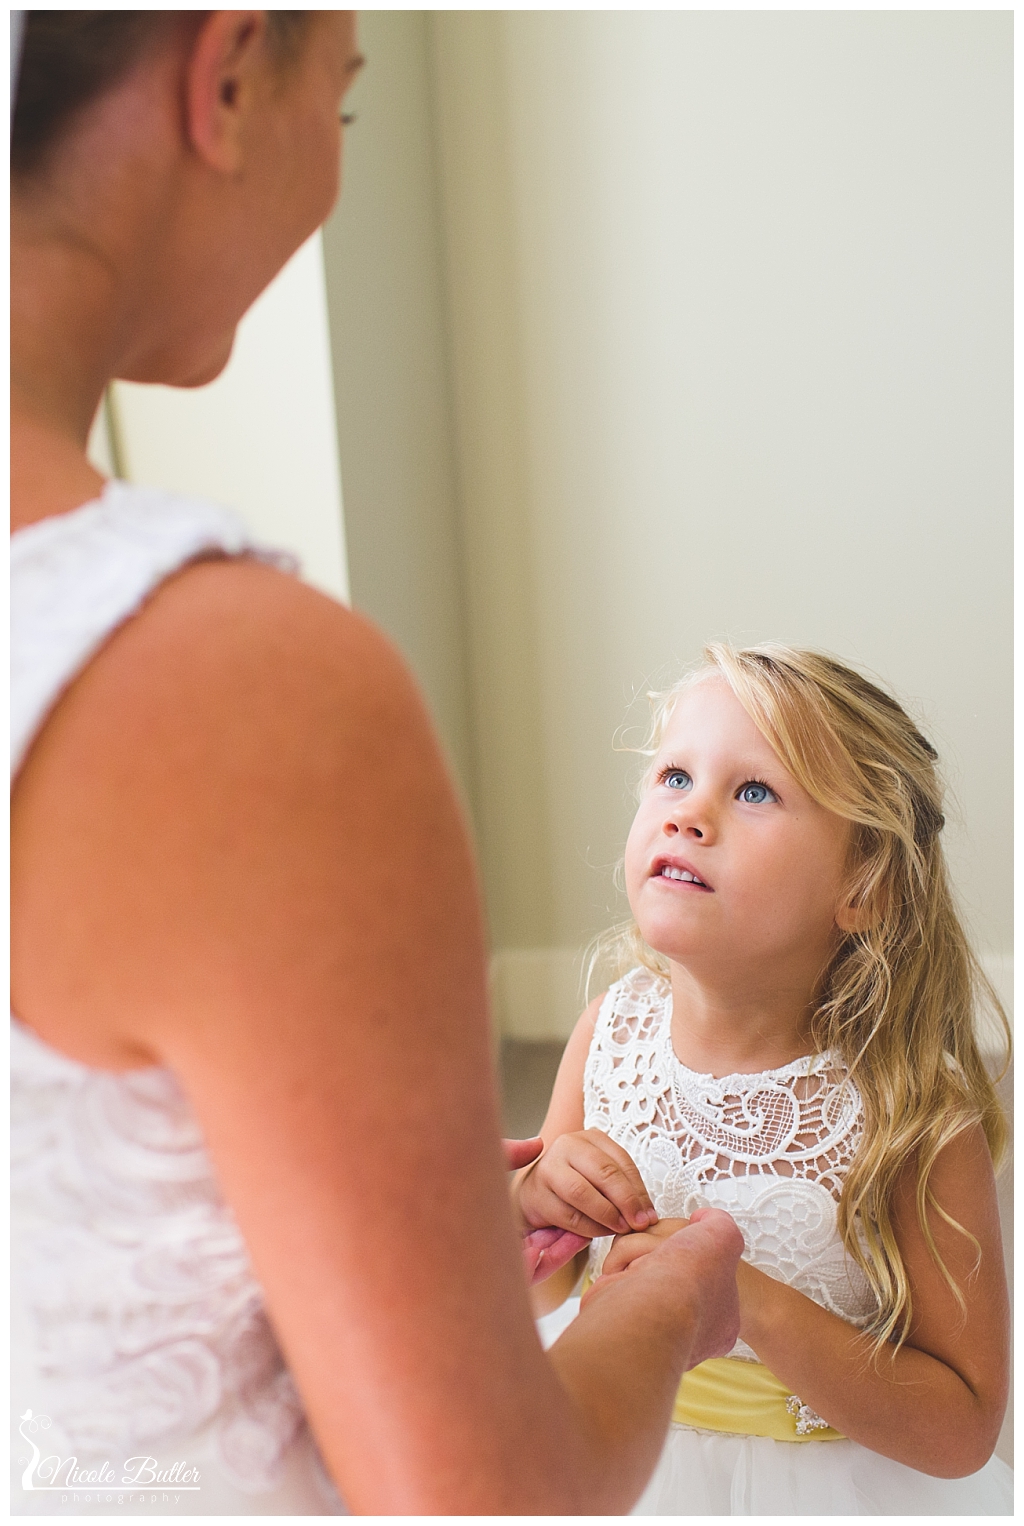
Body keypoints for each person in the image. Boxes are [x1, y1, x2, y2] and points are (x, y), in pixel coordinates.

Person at [10, 11, 745, 1517]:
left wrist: (385, 1220)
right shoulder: (233, 691)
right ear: (226, 78)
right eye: (339, 108)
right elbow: (479, 1494)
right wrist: (670, 1307)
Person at [513, 643, 1013, 1515]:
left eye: (754, 792)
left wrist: (746, 1304)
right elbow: (542, 1286)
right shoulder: (609, 1035)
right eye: (674, 776)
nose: (689, 814)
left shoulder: (911, 1114)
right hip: (622, 1447)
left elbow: (964, 1426)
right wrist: (534, 1204)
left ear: (864, 887)